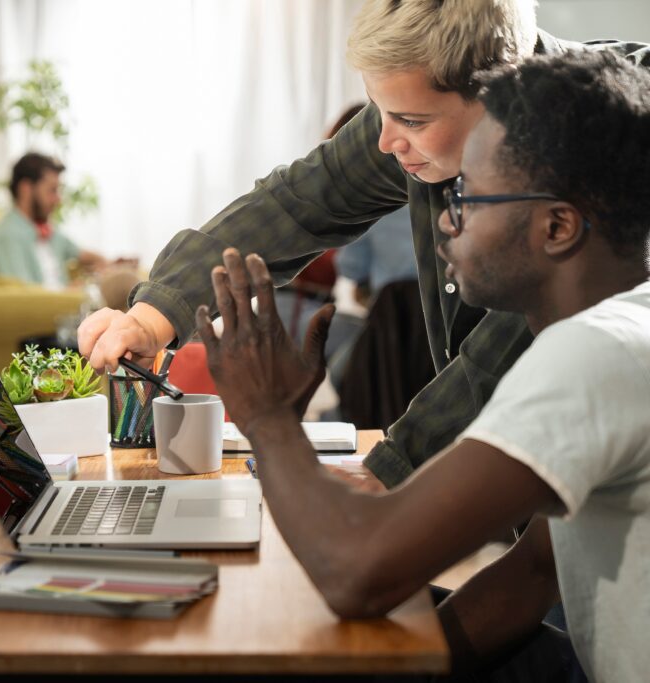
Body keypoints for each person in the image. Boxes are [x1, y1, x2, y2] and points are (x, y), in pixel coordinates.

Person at [199, 51, 650, 681]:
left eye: (468, 196)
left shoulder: (597, 353)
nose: (444, 219)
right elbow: (532, 573)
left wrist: (267, 418)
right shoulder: (619, 329)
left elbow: (357, 571)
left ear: (556, 227)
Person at [78, 0, 650, 489]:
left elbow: (510, 346)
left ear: (501, 92)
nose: (385, 141)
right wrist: (153, 316)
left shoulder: (616, 133)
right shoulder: (433, 110)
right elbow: (298, 201)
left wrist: (392, 469)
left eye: (411, 120)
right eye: (380, 112)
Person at [0, 152, 108, 291]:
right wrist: (70, 291)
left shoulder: (48, 231)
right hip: (52, 304)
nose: (58, 199)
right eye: (52, 190)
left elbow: (85, 255)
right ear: (26, 189)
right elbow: (23, 295)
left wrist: (104, 266)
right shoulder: (6, 235)